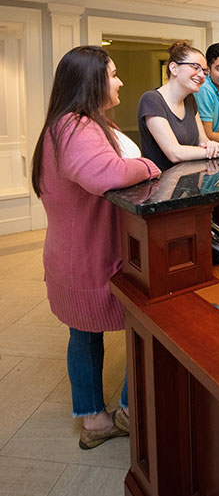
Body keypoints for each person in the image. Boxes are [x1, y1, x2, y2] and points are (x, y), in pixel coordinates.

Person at [31, 46, 161, 449]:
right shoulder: (75, 127)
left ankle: (97, 419)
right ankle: (118, 413)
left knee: (83, 333)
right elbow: (108, 174)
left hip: (78, 252)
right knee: (140, 324)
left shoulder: (76, 123)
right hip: (86, 256)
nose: (121, 81)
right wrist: (151, 166)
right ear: (92, 81)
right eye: (114, 73)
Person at [137, 41, 219, 170]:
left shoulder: (189, 100)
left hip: (189, 180)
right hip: (162, 185)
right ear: (174, 68)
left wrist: (212, 145)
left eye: (204, 70)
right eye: (195, 67)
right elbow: (175, 153)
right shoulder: (151, 100)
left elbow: (203, 141)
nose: (202, 75)